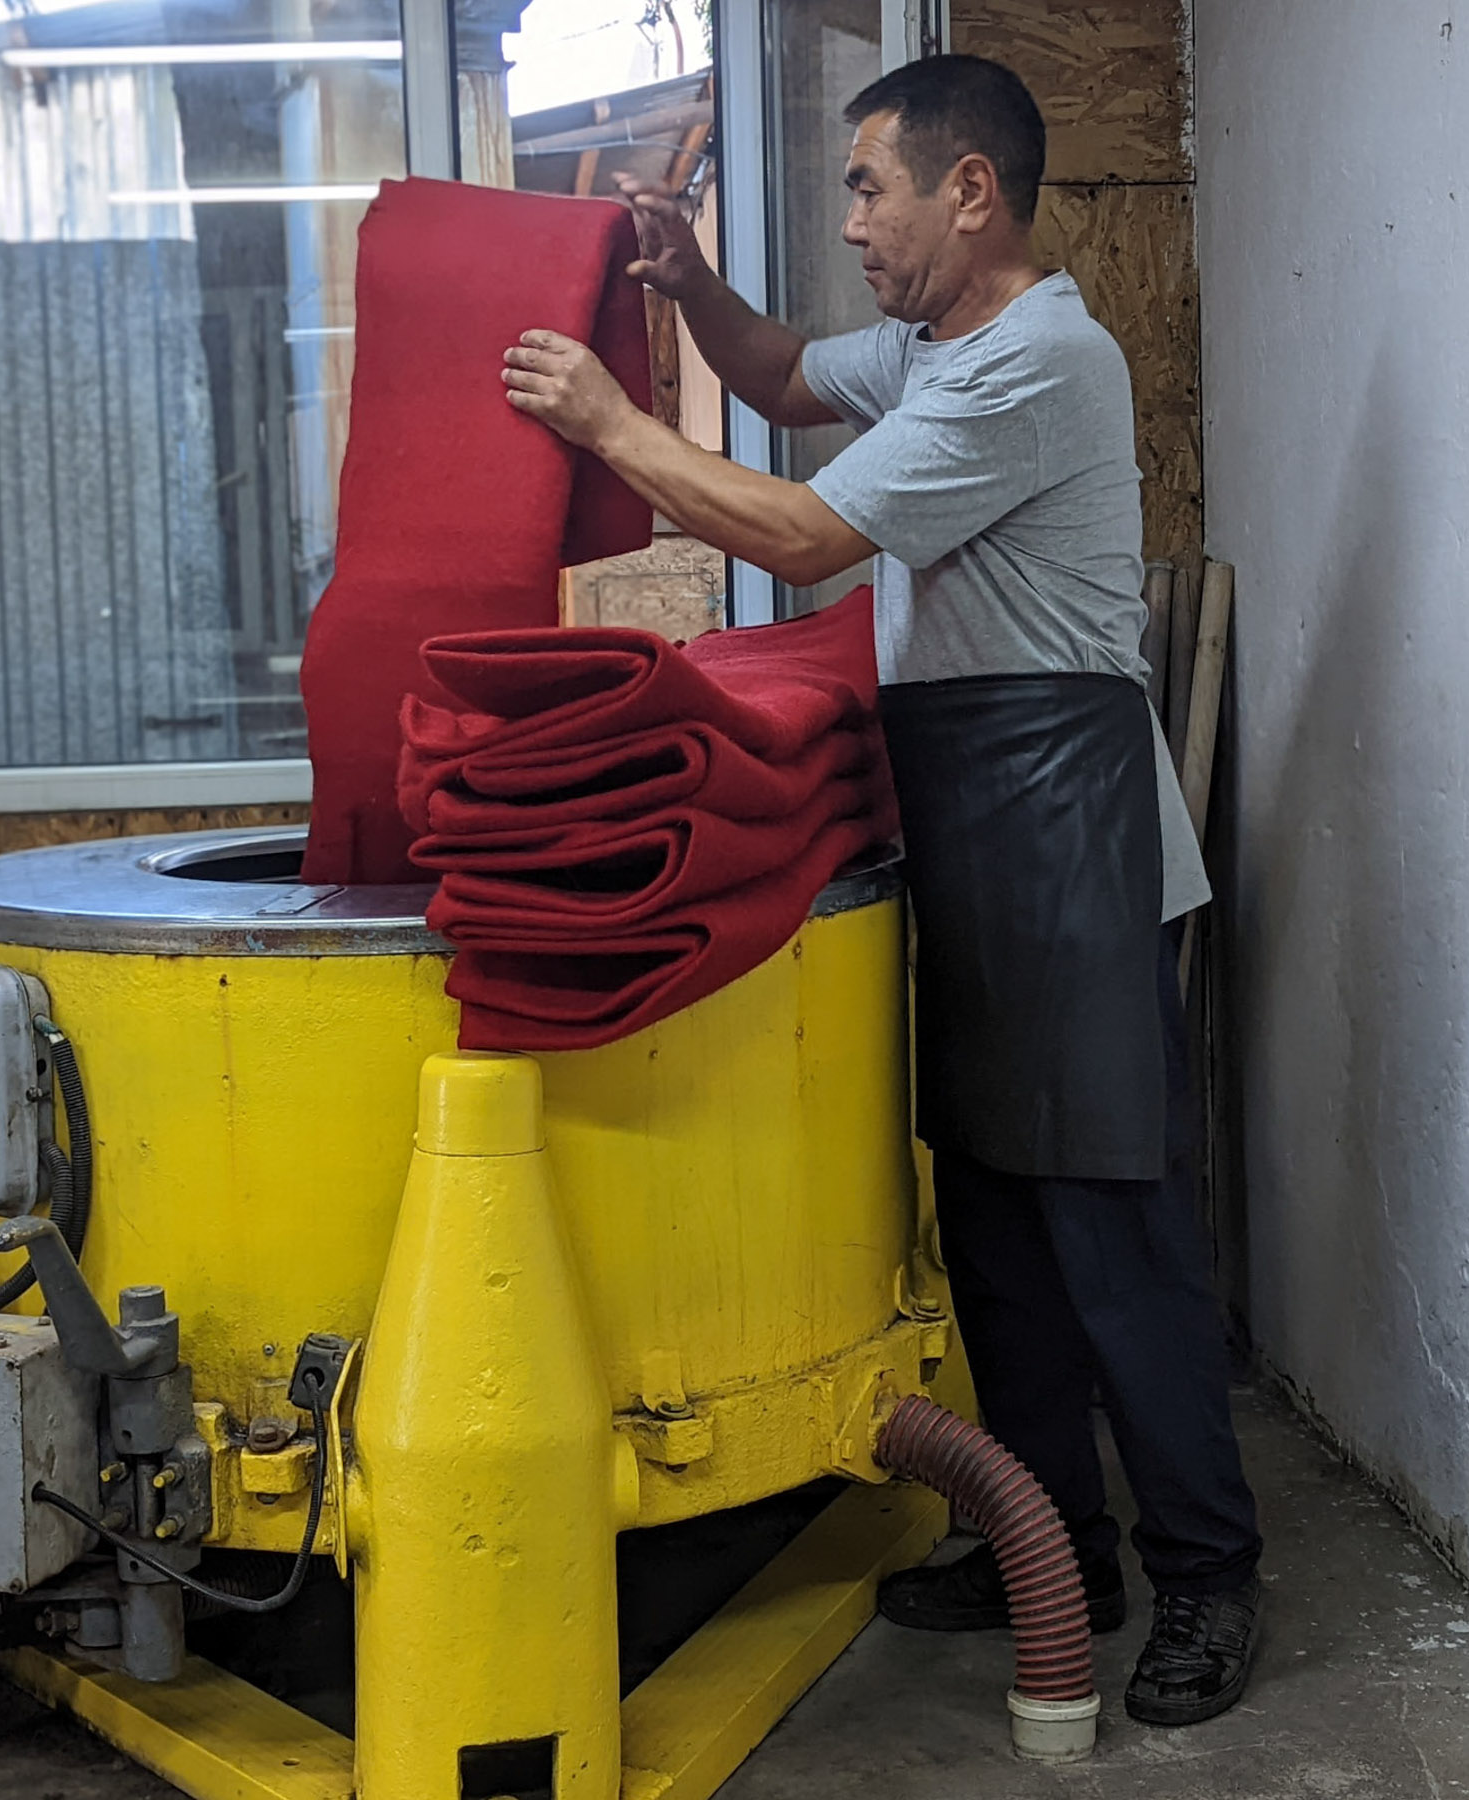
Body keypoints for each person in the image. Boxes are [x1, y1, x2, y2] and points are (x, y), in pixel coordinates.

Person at [499, 52, 1263, 1727]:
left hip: (1075, 839)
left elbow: (801, 536)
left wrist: (613, 424)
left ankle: (1212, 1573)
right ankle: (1056, 1549)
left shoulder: (1039, 361)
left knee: (1117, 1239)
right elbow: (783, 380)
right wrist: (690, 288)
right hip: (975, 829)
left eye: (868, 187)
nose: (851, 221)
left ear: (969, 192)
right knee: (992, 1227)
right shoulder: (927, 348)